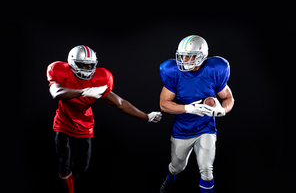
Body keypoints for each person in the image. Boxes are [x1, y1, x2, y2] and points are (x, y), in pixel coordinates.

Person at [46, 45, 162, 193]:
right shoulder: (59, 70)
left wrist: (146, 116)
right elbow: (56, 92)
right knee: (63, 163)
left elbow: (120, 103)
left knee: (82, 166)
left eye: (90, 66)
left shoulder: (101, 78)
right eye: (82, 65)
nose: (86, 69)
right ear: (71, 64)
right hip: (63, 123)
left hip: (85, 126)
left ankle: (72, 183)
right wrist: (84, 91)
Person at [159, 35, 234, 193]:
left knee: (207, 170)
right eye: (182, 55)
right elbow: (164, 104)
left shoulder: (214, 70)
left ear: (202, 56)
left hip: (206, 128)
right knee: (177, 167)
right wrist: (188, 108)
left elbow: (228, 98)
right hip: (182, 130)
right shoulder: (173, 72)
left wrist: (223, 110)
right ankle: (170, 178)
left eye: (189, 55)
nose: (184, 59)